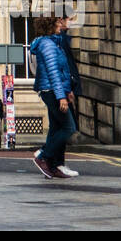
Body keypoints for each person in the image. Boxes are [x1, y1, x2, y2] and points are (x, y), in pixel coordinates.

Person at [30, 16, 77, 179]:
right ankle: (43, 155)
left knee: (57, 128)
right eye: (57, 22)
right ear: (50, 26)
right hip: (51, 91)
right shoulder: (47, 45)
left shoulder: (53, 42)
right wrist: (61, 97)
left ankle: (53, 166)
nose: (60, 25)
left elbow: (63, 71)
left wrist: (67, 90)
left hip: (55, 90)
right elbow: (53, 73)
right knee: (69, 127)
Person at [56, 16, 82, 137]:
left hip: (65, 87)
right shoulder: (60, 39)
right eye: (70, 20)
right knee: (69, 127)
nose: (72, 23)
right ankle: (45, 152)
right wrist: (68, 89)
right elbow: (64, 67)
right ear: (61, 20)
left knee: (59, 125)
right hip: (65, 88)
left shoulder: (63, 37)